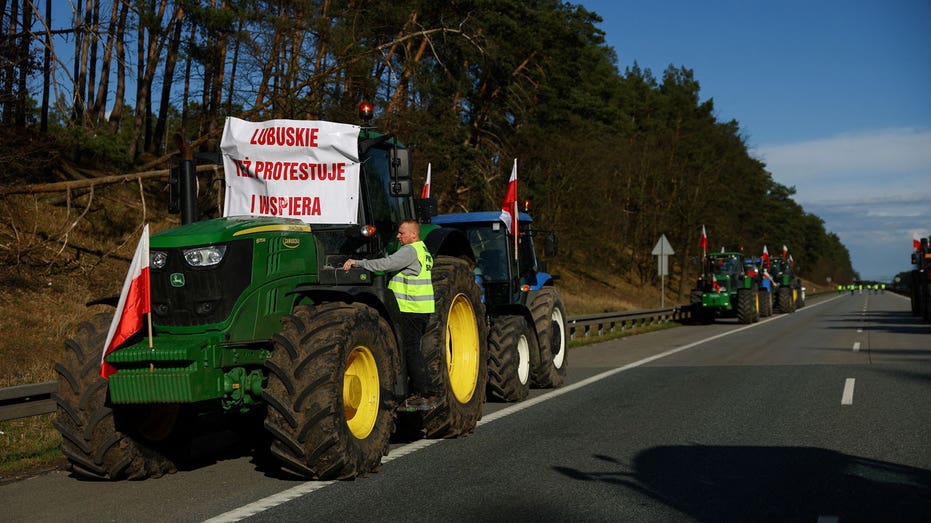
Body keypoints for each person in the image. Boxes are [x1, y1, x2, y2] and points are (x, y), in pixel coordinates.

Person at [342, 219, 438, 409]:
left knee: (410, 350)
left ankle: (425, 393)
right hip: (421, 309)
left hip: (411, 308)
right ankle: (418, 392)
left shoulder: (410, 250)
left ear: (413, 235)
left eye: (402, 233)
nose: (398, 236)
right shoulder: (423, 250)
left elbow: (386, 264)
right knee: (412, 349)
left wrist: (358, 263)